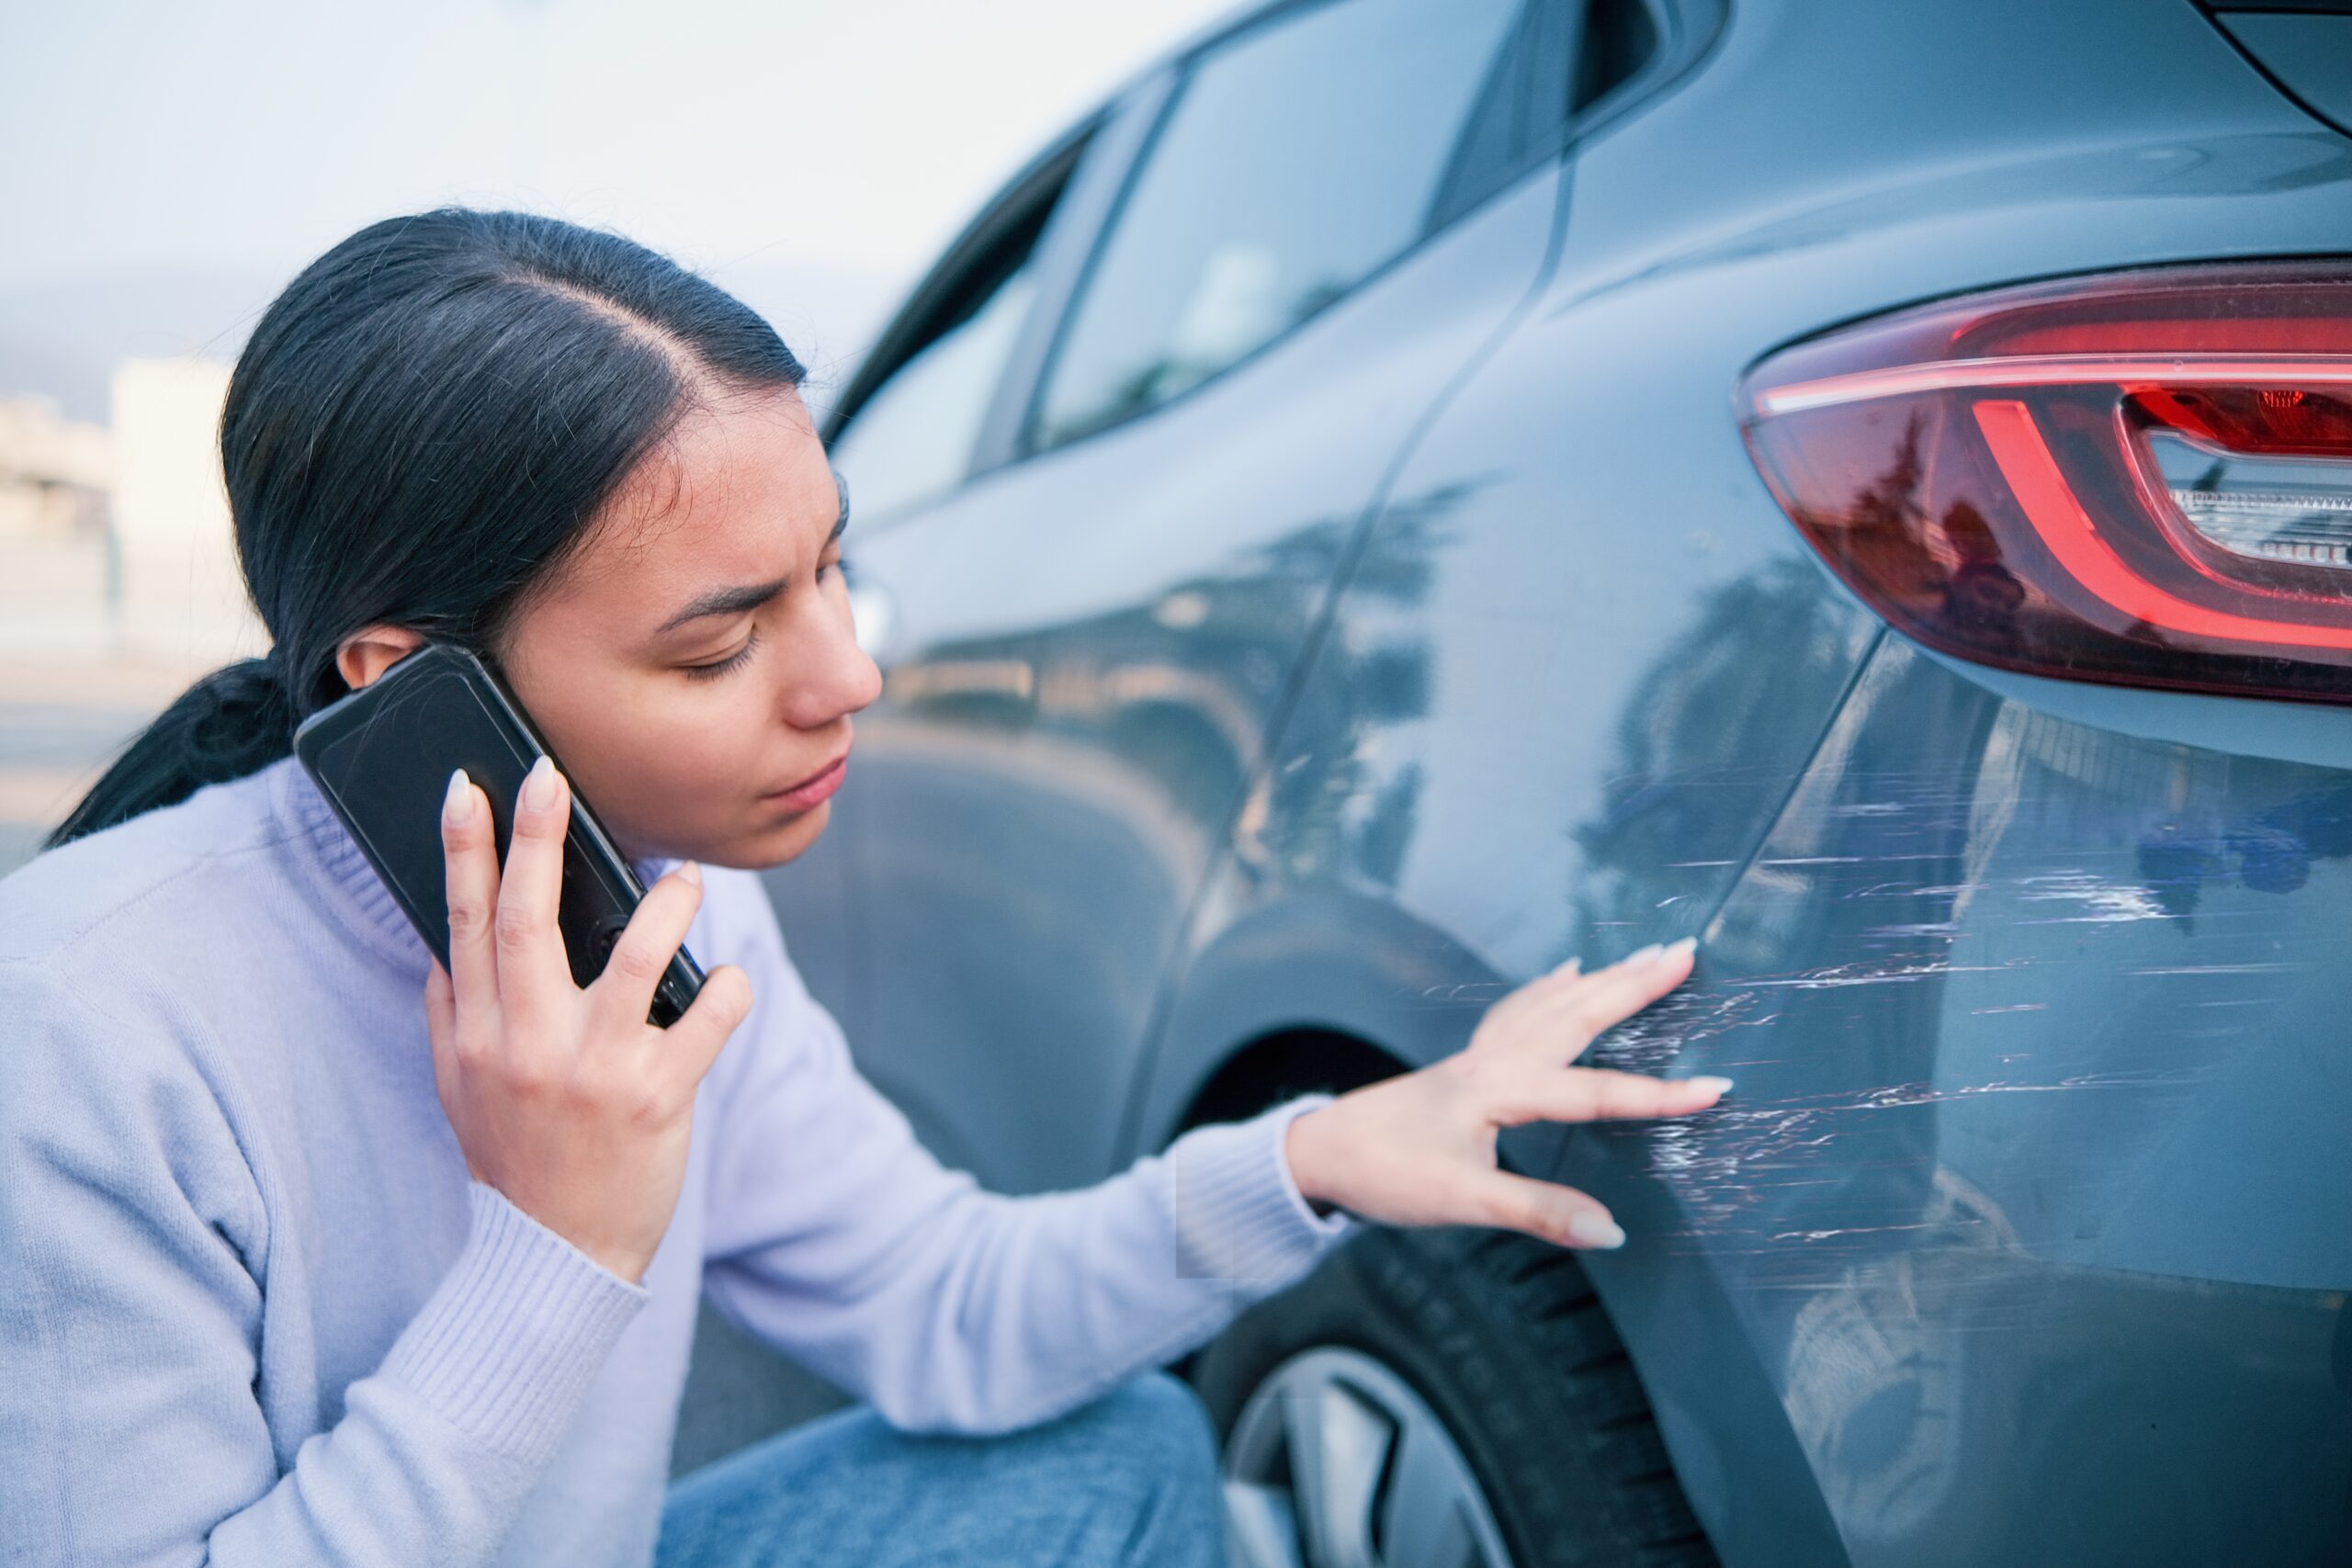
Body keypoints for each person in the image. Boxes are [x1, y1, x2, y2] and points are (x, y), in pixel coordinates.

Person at [0, 208, 1732, 1567]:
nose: (849, 678)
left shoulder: (660, 912)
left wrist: (1316, 1155)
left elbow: (945, 1304)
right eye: (722, 645)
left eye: (832, 568)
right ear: (408, 686)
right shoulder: (85, 1029)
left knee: (1119, 1451)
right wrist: (559, 1246)